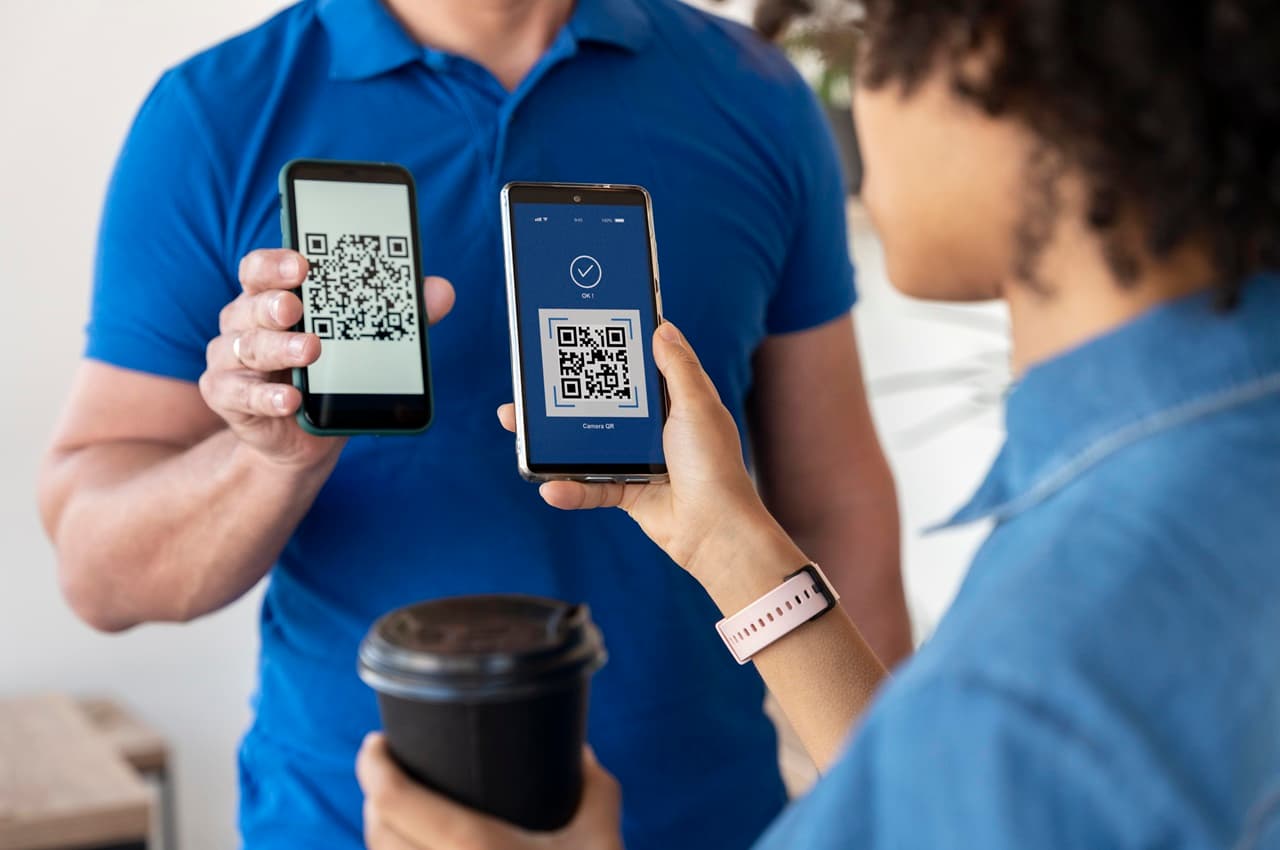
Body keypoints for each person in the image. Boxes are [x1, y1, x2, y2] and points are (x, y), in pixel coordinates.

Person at [353, 0, 1280, 847]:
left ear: (994, 56)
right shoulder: (1217, 471)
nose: (859, 95)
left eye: (879, 36)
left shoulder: (1042, 667)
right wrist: (729, 542)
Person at [36, 0, 910, 848]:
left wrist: (903, 800)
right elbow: (98, 573)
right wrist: (269, 459)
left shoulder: (754, 90)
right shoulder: (213, 112)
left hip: (709, 817)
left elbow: (837, 501)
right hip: (349, 821)